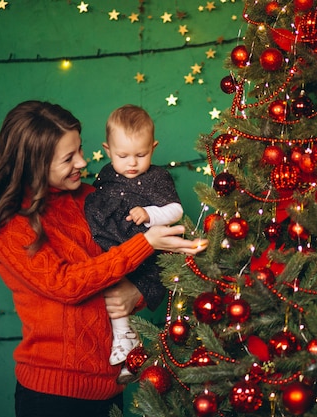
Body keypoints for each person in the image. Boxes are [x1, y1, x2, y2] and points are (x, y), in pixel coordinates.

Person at [0, 100, 207, 417]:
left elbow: (131, 266)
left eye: (80, 149)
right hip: (53, 394)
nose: (83, 161)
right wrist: (146, 243)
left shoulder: (89, 198)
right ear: (34, 164)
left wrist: (136, 292)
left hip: (109, 388)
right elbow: (66, 284)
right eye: (69, 158)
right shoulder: (8, 220)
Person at [85, 104, 183, 379]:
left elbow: (175, 210)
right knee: (110, 285)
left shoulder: (157, 177)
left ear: (154, 147)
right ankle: (123, 341)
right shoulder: (105, 175)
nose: (132, 163)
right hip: (116, 246)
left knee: (124, 289)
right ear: (107, 150)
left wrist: (150, 214)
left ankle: (129, 347)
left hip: (146, 252)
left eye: (141, 155)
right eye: (122, 155)